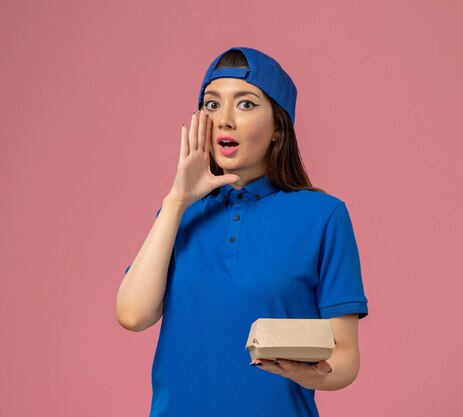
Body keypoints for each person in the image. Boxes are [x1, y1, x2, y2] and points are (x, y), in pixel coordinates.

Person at [116, 46, 369, 417]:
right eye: (212, 104)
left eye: (246, 104)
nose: (225, 120)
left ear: (278, 129)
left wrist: (308, 374)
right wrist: (176, 199)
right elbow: (133, 315)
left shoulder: (323, 216)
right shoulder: (180, 215)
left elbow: (345, 357)